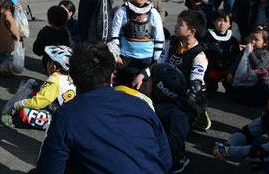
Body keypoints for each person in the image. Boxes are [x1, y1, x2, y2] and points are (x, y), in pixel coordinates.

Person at [36, 41, 172, 173]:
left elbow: (49, 169)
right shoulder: (141, 105)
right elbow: (166, 161)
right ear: (111, 77)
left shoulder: (66, 115)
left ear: (71, 77)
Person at [136, 10, 210, 131]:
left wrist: (189, 102)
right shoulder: (172, 43)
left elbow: (196, 83)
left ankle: (199, 113)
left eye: (180, 24)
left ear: (191, 32)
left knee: (176, 124)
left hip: (186, 93)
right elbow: (159, 63)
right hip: (168, 86)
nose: (175, 26)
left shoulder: (199, 54)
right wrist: (142, 74)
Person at [2, 46, 76, 131]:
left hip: (61, 119)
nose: (47, 63)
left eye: (49, 61)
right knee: (35, 94)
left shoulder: (55, 79)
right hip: (70, 115)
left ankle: (17, 121)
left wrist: (19, 104)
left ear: (54, 66)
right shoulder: (72, 76)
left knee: (25, 112)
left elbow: (39, 102)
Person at [108, 0, 165, 87]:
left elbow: (159, 39)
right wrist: (116, 56)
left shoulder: (154, 13)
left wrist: (155, 63)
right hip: (125, 61)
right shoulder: (122, 12)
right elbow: (114, 36)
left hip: (147, 62)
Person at [148, 63, 192, 173]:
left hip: (167, 154)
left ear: (159, 88)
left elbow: (176, 143)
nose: (147, 81)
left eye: (150, 79)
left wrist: (150, 138)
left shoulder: (177, 114)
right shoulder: (158, 100)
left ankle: (177, 161)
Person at [226, 27, 269, 107]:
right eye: (251, 38)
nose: (252, 41)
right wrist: (230, 72)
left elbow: (257, 66)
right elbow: (237, 61)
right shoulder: (245, 51)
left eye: (256, 40)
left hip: (259, 82)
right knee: (234, 92)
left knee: (256, 100)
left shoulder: (265, 54)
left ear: (265, 43)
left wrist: (250, 53)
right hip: (244, 79)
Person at [204, 9, 240, 94]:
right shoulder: (207, 38)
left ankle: (227, 83)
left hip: (227, 72)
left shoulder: (233, 40)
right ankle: (212, 84)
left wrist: (231, 72)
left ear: (229, 24)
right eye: (219, 20)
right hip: (211, 71)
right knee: (206, 92)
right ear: (213, 22)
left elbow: (237, 58)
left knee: (234, 93)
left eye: (225, 21)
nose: (222, 23)